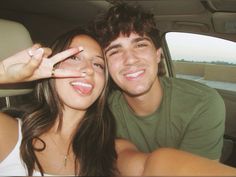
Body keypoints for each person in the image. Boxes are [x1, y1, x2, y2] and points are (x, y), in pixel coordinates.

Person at [1, 27, 236, 176]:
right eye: (74, 58)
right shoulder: (10, 132)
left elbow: (152, 165)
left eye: (97, 64)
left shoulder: (107, 146)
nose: (87, 70)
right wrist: (2, 74)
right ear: (49, 68)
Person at [93, 2, 226, 160]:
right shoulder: (102, 112)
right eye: (114, 51)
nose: (130, 60)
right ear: (105, 65)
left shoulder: (202, 103)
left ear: (158, 55)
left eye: (140, 45)